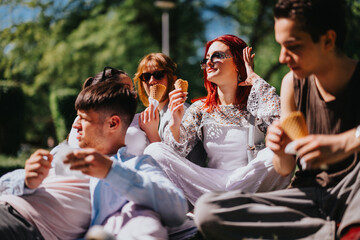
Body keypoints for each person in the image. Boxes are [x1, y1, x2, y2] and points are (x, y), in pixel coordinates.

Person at [194, 1, 360, 239]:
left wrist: (345, 143)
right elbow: (285, 168)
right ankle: (333, 232)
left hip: (354, 189)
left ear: (328, 40)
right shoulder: (292, 84)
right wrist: (281, 150)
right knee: (209, 210)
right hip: (309, 196)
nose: (282, 57)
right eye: (280, 46)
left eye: (292, 46)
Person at [0, 75, 187, 239]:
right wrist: (26, 179)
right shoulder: (62, 152)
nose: (75, 126)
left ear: (113, 123)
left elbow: (177, 209)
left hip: (24, 226)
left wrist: (110, 170)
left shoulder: (133, 165)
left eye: (83, 119)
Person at [144, 34, 291, 205]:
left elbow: (284, 123)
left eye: (217, 56)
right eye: (206, 59)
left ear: (238, 63)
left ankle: (227, 203)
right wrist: (175, 124)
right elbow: (176, 153)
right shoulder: (200, 108)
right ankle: (227, 202)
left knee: (279, 151)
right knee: (154, 151)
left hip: (251, 179)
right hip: (210, 184)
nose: (209, 62)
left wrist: (255, 79)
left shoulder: (256, 104)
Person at [134, 52, 207, 165]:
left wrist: (152, 133)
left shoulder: (181, 111)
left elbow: (175, 165)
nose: (152, 81)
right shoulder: (156, 115)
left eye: (158, 74)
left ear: (172, 78)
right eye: (146, 76)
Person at [68, 67, 148, 156]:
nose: (134, 94)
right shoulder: (82, 126)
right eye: (126, 89)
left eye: (132, 89)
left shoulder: (144, 120)